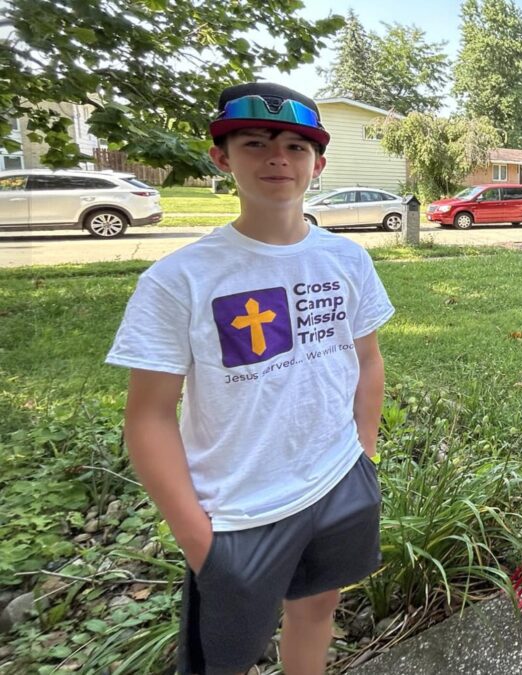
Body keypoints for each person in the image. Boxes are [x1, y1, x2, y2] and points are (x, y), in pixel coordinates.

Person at [106, 82, 394, 675]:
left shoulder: (347, 259)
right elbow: (150, 416)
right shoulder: (178, 279)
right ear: (221, 157)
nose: (277, 159)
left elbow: (367, 360)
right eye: (256, 143)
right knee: (224, 658)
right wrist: (197, 539)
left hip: (339, 481)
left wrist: (363, 455)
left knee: (316, 614)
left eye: (295, 145)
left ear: (319, 162)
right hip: (237, 511)